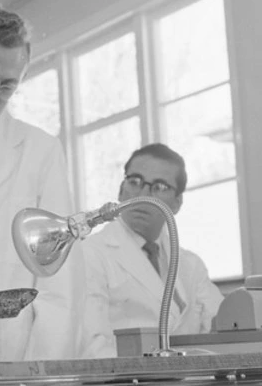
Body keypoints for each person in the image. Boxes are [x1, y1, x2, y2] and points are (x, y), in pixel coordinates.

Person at [0, 3, 85, 377]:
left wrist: (42, 377)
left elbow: (58, 281)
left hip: (6, 354)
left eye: (7, 86)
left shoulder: (40, 151)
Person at [79, 143, 223, 358]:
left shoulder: (191, 265)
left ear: (177, 202)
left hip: (192, 381)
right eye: (135, 182)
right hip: (130, 385)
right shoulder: (90, 254)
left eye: (160, 186)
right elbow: (92, 344)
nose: (143, 194)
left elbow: (222, 325)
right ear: (120, 190)